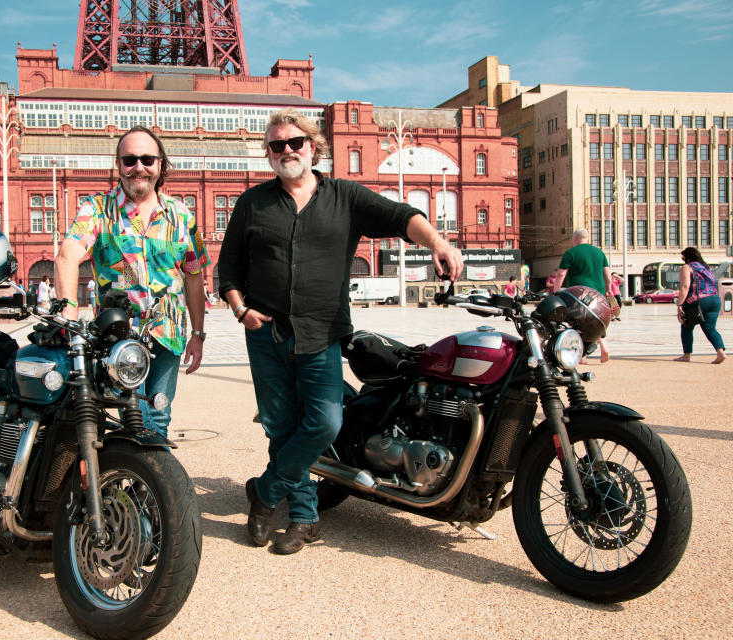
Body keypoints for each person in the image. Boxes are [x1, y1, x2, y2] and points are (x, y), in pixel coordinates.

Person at [217, 108, 463, 555]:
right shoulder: (253, 203)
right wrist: (241, 311)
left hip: (322, 332)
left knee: (325, 423)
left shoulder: (344, 197)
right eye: (277, 145)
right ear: (269, 154)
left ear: (314, 147)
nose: (287, 151)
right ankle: (306, 518)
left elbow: (400, 215)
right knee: (280, 425)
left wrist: (438, 242)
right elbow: (228, 268)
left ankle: (266, 493)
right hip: (265, 334)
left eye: (296, 143)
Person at [54, 125, 209, 438]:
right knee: (131, 412)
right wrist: (68, 313)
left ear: (160, 164)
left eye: (148, 159)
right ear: (118, 166)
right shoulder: (97, 209)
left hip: (168, 332)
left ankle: (143, 484)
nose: (139, 167)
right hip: (118, 335)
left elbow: (194, 276)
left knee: (159, 413)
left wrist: (198, 333)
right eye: (130, 160)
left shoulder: (181, 216)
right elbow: (67, 256)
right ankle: (140, 480)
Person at [554, 228, 611, 362]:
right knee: (597, 321)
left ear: (574, 239)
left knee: (578, 324)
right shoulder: (599, 252)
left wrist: (556, 292)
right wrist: (608, 288)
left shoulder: (571, 253)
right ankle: (603, 349)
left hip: (579, 295)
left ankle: (581, 356)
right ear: (587, 238)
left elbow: (561, 273)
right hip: (598, 295)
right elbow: (607, 272)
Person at [674, 247, 725, 364]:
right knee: (709, 328)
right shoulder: (706, 268)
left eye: (683, 258)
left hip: (698, 301)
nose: (683, 260)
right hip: (715, 299)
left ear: (687, 257)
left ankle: (687, 355)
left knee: (686, 326)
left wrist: (680, 304)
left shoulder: (687, 267)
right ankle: (720, 352)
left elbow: (685, 286)